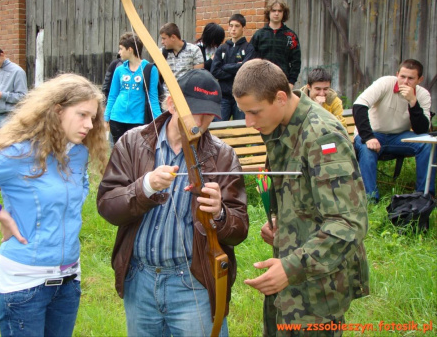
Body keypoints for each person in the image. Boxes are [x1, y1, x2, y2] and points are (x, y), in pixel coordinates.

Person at [0, 74, 109, 337]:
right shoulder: (18, 154)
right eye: (82, 115)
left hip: (69, 281)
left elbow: (78, 192)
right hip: (25, 284)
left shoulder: (78, 153)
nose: (90, 124)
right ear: (56, 111)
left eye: (93, 118)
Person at [97, 69, 248, 336]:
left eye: (209, 114)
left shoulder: (223, 156)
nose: (201, 121)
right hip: (140, 279)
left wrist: (220, 214)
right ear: (170, 104)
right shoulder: (133, 143)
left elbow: (239, 230)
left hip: (194, 281)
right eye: (195, 111)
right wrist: (145, 187)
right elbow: (108, 205)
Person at [233, 59, 369, 336]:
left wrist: (290, 267)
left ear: (281, 98)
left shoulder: (321, 136)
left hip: (318, 288)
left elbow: (348, 223)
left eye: (254, 112)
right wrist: (284, 226)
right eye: (244, 113)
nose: (248, 123)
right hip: (293, 278)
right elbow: (306, 198)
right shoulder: (280, 126)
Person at [353, 59, 435, 202]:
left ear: (419, 80)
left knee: (427, 145)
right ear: (397, 74)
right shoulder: (385, 83)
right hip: (373, 133)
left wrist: (413, 102)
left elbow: (421, 130)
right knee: (367, 148)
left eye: (411, 78)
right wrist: (368, 136)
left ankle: (424, 195)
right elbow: (359, 105)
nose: (405, 82)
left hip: (399, 137)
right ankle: (370, 198)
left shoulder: (423, 95)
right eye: (402, 76)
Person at [104, 32, 162, 144]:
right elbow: (112, 95)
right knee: (118, 154)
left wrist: (159, 121)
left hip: (138, 120)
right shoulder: (119, 69)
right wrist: (106, 118)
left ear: (130, 49)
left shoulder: (151, 69)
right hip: (117, 118)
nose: (119, 52)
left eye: (121, 49)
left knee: (136, 154)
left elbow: (153, 98)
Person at [211, 14, 255, 121]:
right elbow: (215, 71)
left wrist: (224, 67)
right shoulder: (222, 48)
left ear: (243, 28)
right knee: (218, 128)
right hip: (224, 96)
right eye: (231, 26)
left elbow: (246, 70)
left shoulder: (249, 48)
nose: (233, 29)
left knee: (241, 128)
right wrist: (237, 67)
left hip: (241, 96)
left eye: (237, 26)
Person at [250, 0, 301, 89]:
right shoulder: (259, 35)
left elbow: (296, 61)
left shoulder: (290, 35)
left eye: (280, 11)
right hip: (261, 82)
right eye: (273, 10)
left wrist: (291, 82)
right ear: (268, 12)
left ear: (283, 13)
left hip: (282, 82)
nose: (276, 13)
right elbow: (251, 60)